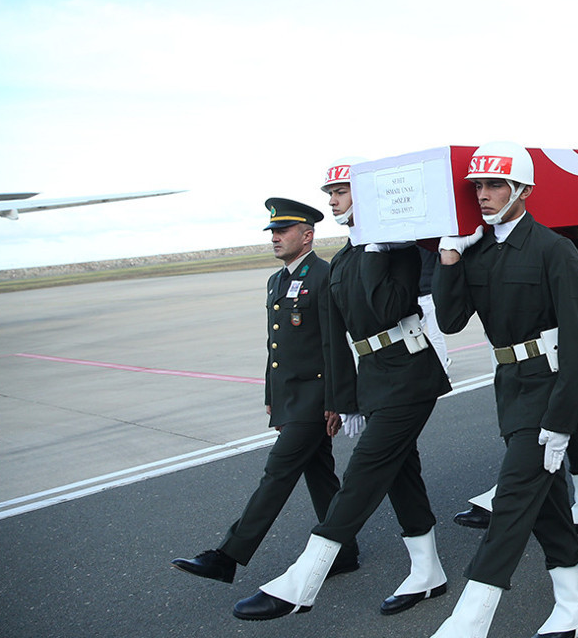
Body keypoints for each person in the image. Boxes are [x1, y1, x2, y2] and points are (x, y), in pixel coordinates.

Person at [231, 166, 453, 620]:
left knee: (365, 472)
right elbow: (337, 334)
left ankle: (303, 580)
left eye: (341, 191)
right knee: (399, 473)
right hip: (374, 377)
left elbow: (387, 308)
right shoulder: (348, 257)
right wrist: (345, 398)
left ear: (368, 196)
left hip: (410, 373)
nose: (333, 200)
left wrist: (376, 249)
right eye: (330, 192)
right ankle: (427, 571)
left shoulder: (399, 251)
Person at [430, 141, 578, 638]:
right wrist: (450, 254)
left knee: (514, 498)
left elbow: (576, 340)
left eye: (494, 184)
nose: (483, 194)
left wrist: (563, 419)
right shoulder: (478, 253)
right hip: (511, 387)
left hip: (548, 389)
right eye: (477, 185)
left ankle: (470, 620)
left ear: (522, 189)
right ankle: (575, 607)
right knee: (548, 505)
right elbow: (452, 319)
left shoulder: (553, 249)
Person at [172, 198, 357, 586]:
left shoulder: (324, 275)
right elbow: (276, 347)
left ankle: (228, 556)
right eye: (272, 231)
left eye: (283, 231)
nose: (275, 237)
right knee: (320, 474)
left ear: (307, 236)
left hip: (316, 398)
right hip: (291, 398)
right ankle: (343, 551)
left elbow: (334, 343)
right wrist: (272, 395)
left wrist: (338, 401)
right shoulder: (277, 280)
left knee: (277, 474)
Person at [451, 232, 578, 534]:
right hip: (543, 338)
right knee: (570, 415)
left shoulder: (554, 242)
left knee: (552, 415)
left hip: (576, 330)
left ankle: (516, 490)